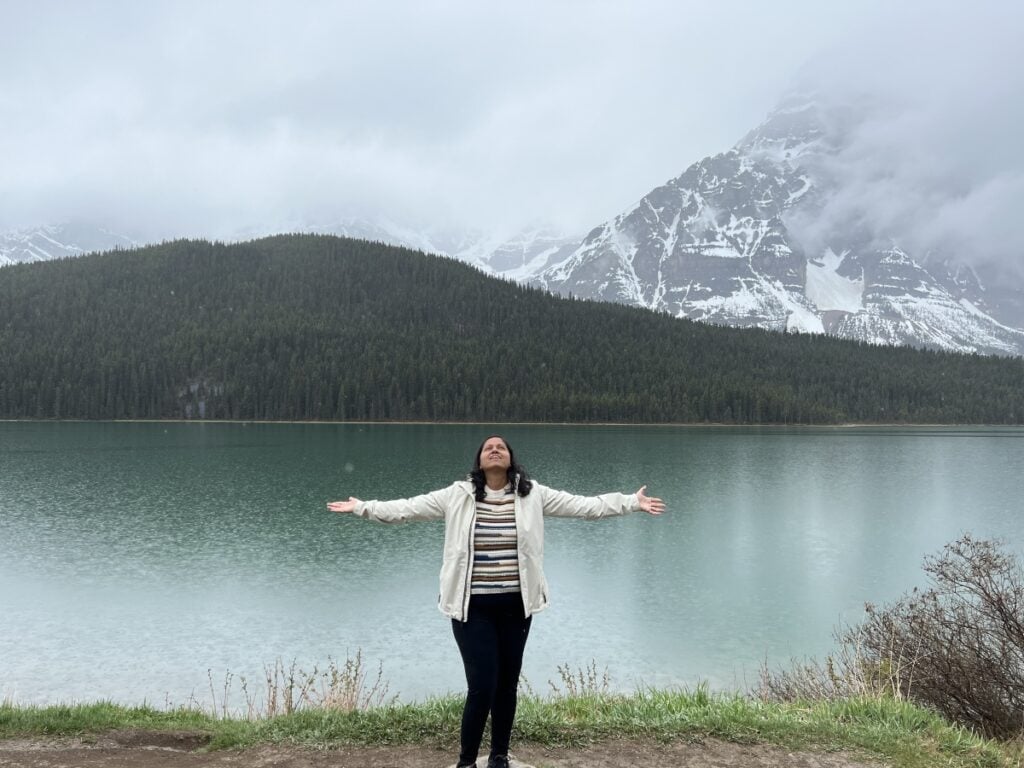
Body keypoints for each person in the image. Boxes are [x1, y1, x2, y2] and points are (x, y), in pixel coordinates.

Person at [327, 435, 665, 768]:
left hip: (516, 607)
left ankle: (499, 756)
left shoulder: (533, 494)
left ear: (510, 458)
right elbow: (406, 509)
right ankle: (466, 762)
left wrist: (630, 502)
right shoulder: (456, 495)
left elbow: (585, 506)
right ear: (479, 460)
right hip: (470, 607)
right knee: (482, 685)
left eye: (500, 447)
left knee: (506, 684)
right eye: (488, 447)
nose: (494, 450)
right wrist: (362, 508)